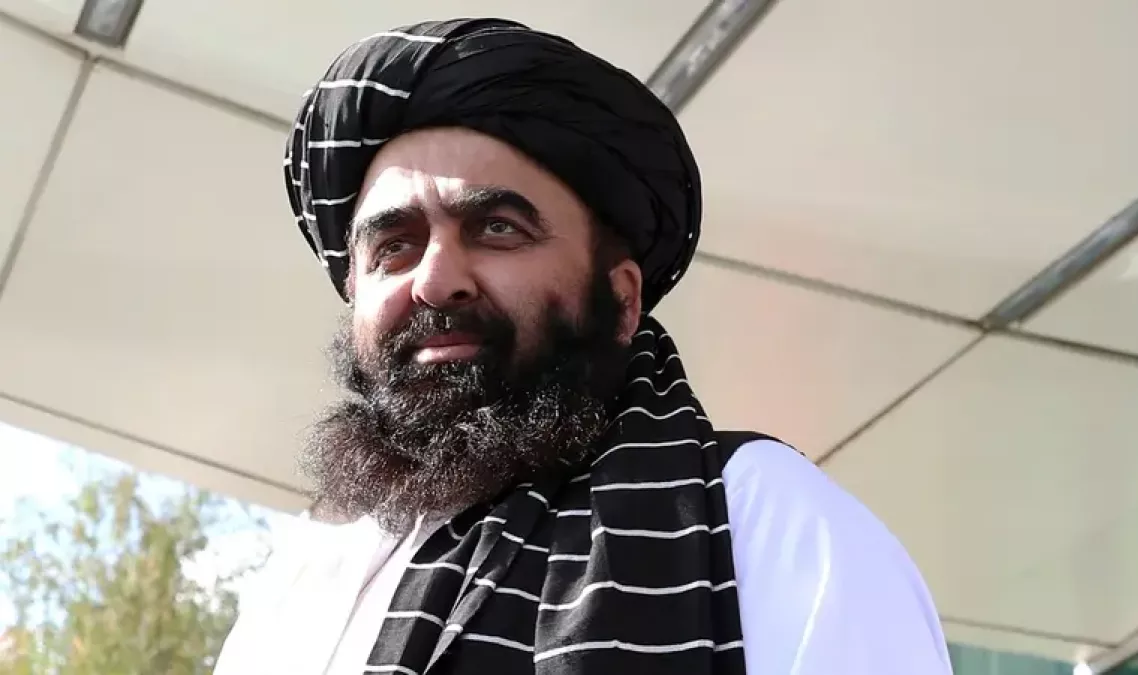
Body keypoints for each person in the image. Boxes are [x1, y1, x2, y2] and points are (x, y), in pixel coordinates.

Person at [214, 17, 952, 675]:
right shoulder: (304, 574)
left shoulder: (763, 519)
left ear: (622, 299)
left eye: (497, 228)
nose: (435, 281)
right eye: (394, 247)